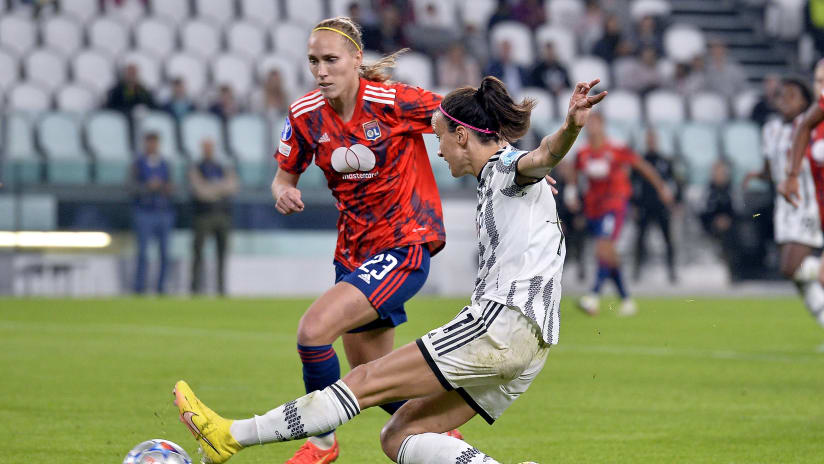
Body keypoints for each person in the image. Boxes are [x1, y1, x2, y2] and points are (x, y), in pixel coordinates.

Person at [172, 75, 607, 464]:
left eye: (440, 137)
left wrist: (570, 128)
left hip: (500, 323)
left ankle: (231, 436)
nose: (438, 150)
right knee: (399, 434)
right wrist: (539, 162)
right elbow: (536, 163)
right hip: (535, 343)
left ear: (462, 135)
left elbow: (544, 154)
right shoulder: (507, 175)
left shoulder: (502, 167)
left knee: (363, 380)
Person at [269, 16, 453, 463]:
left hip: (405, 243)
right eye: (314, 61)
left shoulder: (394, 102)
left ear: (356, 59)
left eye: (331, 60)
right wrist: (283, 192)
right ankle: (454, 448)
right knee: (373, 379)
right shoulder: (305, 115)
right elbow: (283, 177)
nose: (321, 71)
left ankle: (321, 444)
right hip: (353, 254)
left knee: (313, 332)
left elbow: (464, 119)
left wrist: (519, 169)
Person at [566, 112, 673, 316]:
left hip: (614, 204)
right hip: (594, 207)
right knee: (609, 254)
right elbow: (573, 170)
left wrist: (661, 188)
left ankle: (593, 296)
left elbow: (642, 166)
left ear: (603, 125)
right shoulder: (583, 151)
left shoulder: (616, 147)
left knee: (603, 247)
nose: (591, 128)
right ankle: (626, 300)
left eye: (595, 124)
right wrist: (571, 193)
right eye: (589, 124)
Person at [776, 64, 824, 327]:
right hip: (807, 206)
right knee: (808, 276)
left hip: (810, 208)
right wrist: (790, 176)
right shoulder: (810, 122)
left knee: (796, 269)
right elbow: (803, 130)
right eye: (818, 80)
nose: (821, 86)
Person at [189, 138, 238, 296]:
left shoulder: (221, 166)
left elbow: (233, 186)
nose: (208, 150)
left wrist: (210, 188)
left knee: (222, 253)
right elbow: (200, 191)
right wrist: (220, 188)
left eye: (210, 147)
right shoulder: (197, 167)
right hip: (203, 215)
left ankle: (221, 288)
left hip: (222, 215)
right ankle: (195, 288)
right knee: (198, 252)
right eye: (206, 147)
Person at [632, 127, 680, 283]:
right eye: (649, 139)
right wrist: (634, 205)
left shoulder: (665, 161)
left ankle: (672, 271)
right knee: (640, 239)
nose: (651, 142)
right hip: (644, 206)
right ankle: (637, 271)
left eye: (653, 139)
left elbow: (676, 182)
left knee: (668, 239)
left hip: (661, 206)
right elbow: (632, 184)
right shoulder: (640, 161)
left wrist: (676, 201)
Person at [131, 132, 174, 294]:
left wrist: (165, 187)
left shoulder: (165, 164)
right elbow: (130, 187)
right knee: (142, 253)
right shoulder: (137, 164)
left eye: (155, 143)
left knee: (165, 253)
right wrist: (147, 187)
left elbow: (171, 187)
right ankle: (140, 287)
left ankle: (161, 287)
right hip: (144, 212)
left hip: (163, 212)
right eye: (150, 143)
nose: (152, 146)